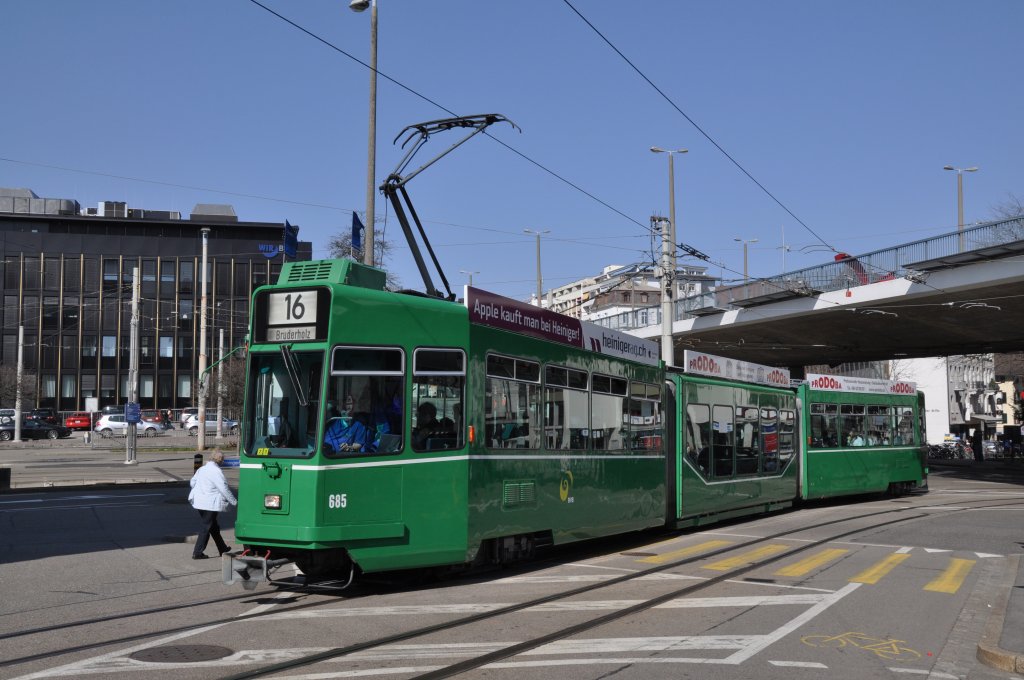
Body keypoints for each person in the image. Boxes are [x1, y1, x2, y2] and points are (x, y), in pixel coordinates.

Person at [188, 450, 237, 560]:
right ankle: (197, 552)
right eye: (222, 460)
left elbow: (192, 482)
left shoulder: (202, 469)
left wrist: (201, 490)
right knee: (206, 526)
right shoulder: (216, 471)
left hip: (199, 502)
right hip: (210, 504)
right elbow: (223, 488)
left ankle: (222, 548)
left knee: (213, 526)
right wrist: (234, 501)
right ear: (220, 460)